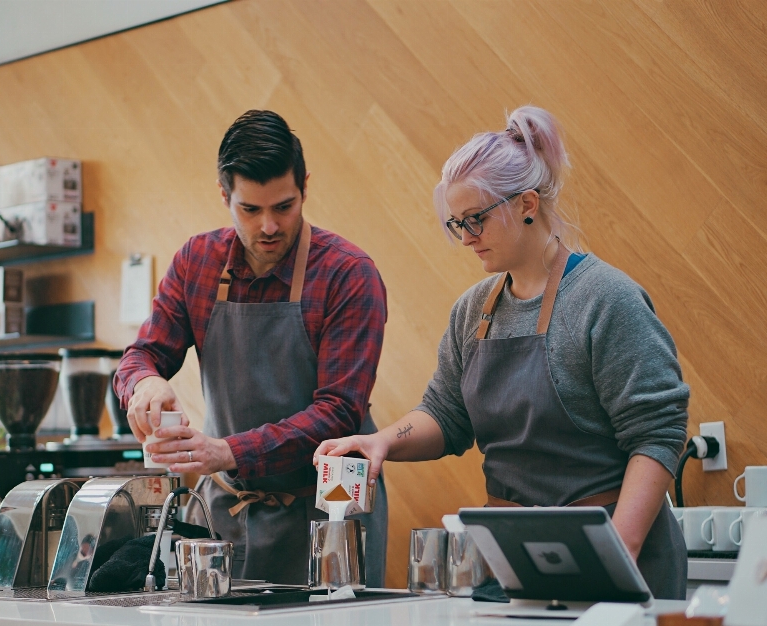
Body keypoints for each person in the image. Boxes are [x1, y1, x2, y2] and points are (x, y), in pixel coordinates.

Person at [314, 106, 689, 599]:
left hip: (616, 560)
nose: (466, 237)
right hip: (517, 558)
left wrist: (620, 547)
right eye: (455, 224)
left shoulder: (606, 300)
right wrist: (382, 441)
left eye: (476, 220)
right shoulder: (473, 311)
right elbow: (446, 414)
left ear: (528, 203)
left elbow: (658, 432)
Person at [114, 110, 389, 586]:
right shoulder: (196, 263)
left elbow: (339, 411)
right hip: (226, 513)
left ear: (304, 186)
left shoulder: (349, 274)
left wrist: (227, 451)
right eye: (250, 209)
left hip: (332, 511)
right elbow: (141, 355)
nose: (268, 226)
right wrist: (145, 383)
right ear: (225, 196)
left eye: (283, 207)